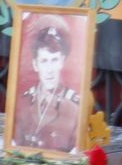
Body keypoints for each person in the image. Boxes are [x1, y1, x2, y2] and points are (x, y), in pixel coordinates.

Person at [13, 21, 81, 152]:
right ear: (35, 64)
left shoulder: (74, 107)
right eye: (43, 61)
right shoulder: (23, 102)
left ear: (62, 61)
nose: (49, 70)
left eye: (54, 60)